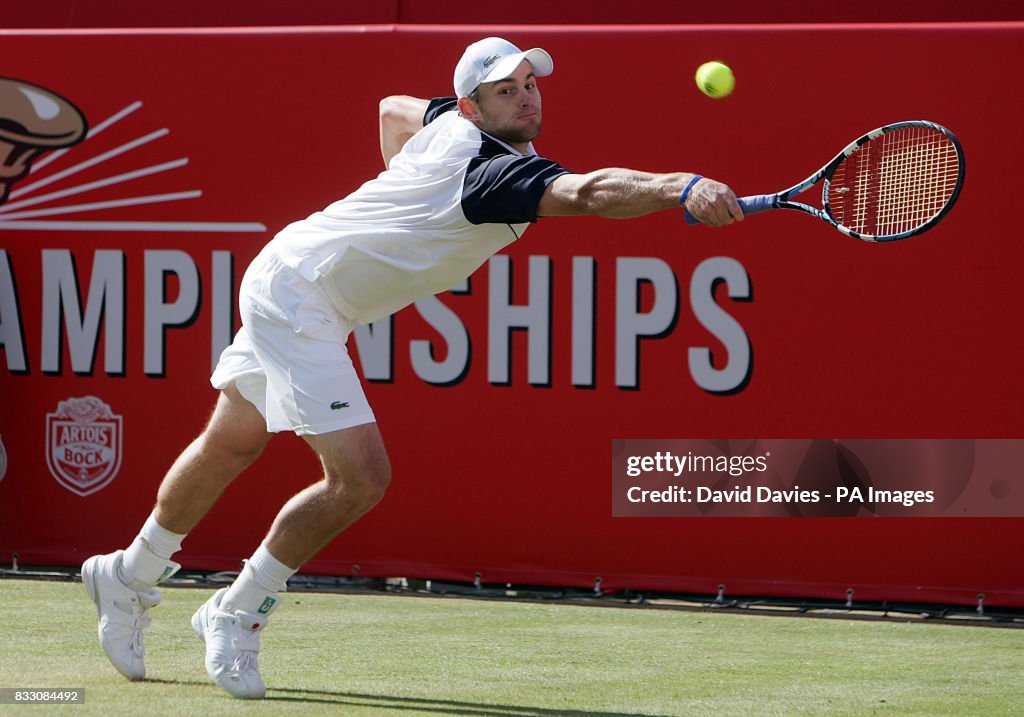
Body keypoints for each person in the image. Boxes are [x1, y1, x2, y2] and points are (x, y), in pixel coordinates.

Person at [81, 36, 743, 699]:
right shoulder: (492, 174)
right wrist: (679, 186)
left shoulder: (447, 124)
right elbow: (592, 193)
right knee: (361, 479)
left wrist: (404, 200)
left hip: (295, 272)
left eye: (529, 85)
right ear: (472, 106)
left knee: (232, 441)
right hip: (300, 294)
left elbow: (392, 109)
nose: (525, 98)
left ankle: (126, 574)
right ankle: (237, 607)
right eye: (505, 91)